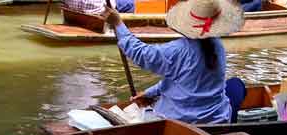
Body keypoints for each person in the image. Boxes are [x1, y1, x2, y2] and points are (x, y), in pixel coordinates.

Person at [104, 0, 247, 124]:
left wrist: (118, 24)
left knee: (235, 85)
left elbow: (141, 54)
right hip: (217, 119)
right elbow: (179, 79)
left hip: (181, 123)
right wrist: (150, 92)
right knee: (236, 85)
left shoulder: (178, 50)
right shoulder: (217, 45)